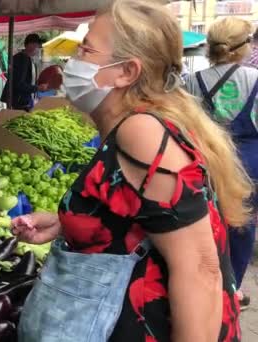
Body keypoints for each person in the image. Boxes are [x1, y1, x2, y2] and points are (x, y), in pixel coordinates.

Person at [13, 0, 252, 341]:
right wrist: (67, 221)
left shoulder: (141, 132)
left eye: (86, 49)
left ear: (127, 71)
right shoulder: (134, 126)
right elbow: (141, 217)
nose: (72, 61)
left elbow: (200, 270)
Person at [185, 16, 258, 312]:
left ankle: (205, 287)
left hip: (206, 164)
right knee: (240, 228)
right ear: (244, 47)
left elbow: (186, 127)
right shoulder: (255, 80)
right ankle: (232, 290)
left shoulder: (192, 81)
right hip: (248, 166)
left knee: (204, 226)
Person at [1, 33, 49, 110]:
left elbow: (28, 80)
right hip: (18, 101)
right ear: (30, 45)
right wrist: (37, 88)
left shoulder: (29, 59)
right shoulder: (22, 59)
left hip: (24, 99)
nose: (39, 49)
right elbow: (19, 84)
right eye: (38, 46)